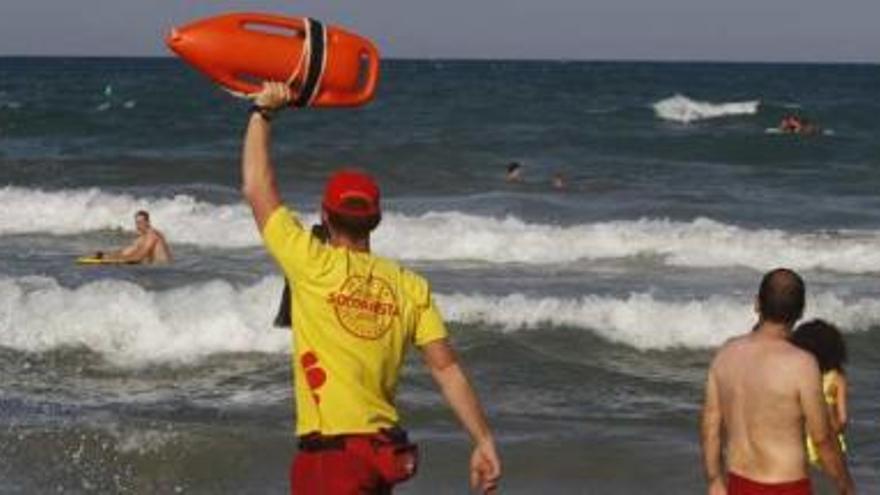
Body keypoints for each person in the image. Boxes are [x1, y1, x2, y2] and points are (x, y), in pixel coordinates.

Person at [242, 82, 501, 494]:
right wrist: (483, 439)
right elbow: (447, 369)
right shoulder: (409, 286)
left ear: (325, 216)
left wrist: (263, 113)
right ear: (376, 221)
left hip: (331, 460)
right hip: (383, 457)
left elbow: (258, 188)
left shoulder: (313, 263)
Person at [701, 268, 854, 495]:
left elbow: (710, 426)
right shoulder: (801, 365)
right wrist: (846, 486)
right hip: (786, 487)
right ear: (800, 311)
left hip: (738, 482)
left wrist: (714, 479)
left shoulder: (726, 354)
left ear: (757, 304)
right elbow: (822, 439)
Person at [791, 320, 849, 469]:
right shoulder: (836, 378)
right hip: (830, 443)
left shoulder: (799, 376)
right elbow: (842, 421)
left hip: (802, 444)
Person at [93, 210, 172, 264]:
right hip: (153, 268)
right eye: (137, 223)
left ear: (148, 222)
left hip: (163, 270)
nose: (138, 226)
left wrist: (112, 260)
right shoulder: (141, 238)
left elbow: (138, 257)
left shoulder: (152, 235)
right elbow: (126, 252)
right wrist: (105, 255)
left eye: (141, 222)